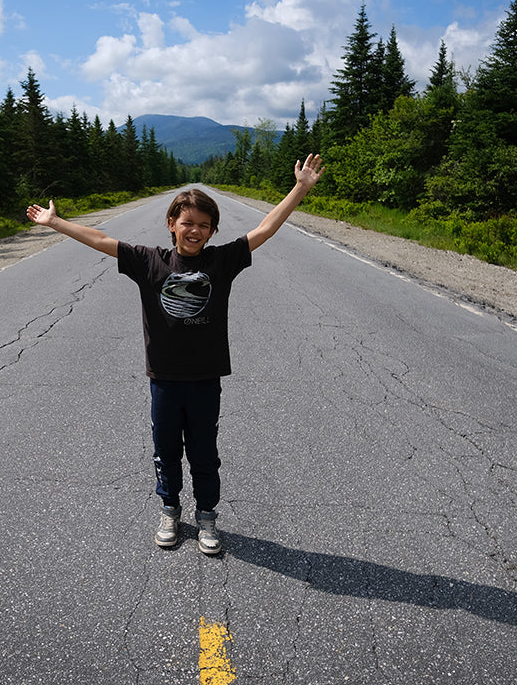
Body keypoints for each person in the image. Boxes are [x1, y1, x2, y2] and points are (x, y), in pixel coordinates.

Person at [26, 154, 324, 555]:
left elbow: (265, 229)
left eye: (204, 224)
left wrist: (300, 188)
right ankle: (170, 509)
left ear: (213, 229)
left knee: (204, 452)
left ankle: (206, 518)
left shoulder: (221, 261)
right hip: (164, 379)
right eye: (188, 223)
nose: (195, 230)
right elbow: (100, 240)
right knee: (166, 449)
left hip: (205, 379)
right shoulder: (150, 261)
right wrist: (54, 223)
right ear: (172, 225)